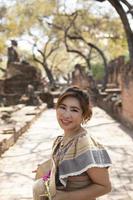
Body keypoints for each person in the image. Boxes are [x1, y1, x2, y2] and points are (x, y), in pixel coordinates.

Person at [33, 86, 112, 200]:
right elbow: (71, 166)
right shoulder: (61, 140)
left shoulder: (84, 144)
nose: (66, 115)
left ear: (84, 115)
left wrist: (66, 196)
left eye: (74, 110)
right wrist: (50, 170)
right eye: (63, 107)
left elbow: (105, 187)